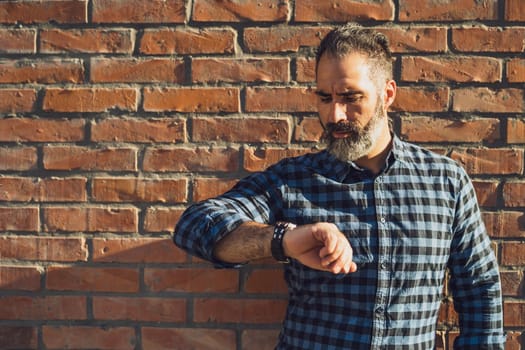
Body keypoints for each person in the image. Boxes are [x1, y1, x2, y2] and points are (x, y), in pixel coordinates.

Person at [174, 23, 505, 349]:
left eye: (350, 97)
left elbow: (479, 289)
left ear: (387, 94)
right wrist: (284, 240)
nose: (334, 115)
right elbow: (194, 226)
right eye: (324, 97)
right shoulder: (293, 180)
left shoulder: (444, 182)